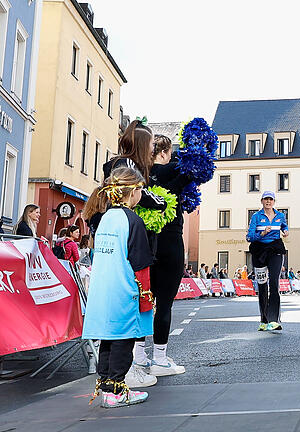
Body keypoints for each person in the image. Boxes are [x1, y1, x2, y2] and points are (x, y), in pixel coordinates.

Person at [81, 166, 153, 408]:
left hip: (103, 288)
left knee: (108, 338)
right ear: (132, 192)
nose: (141, 194)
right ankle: (117, 390)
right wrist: (146, 298)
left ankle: (107, 387)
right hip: (124, 289)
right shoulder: (133, 220)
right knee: (125, 338)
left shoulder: (104, 218)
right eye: (141, 190)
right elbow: (140, 264)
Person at [130, 135, 195, 381]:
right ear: (166, 153)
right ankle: (159, 358)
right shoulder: (173, 172)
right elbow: (194, 168)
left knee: (143, 301)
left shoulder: (141, 174)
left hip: (144, 243)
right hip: (169, 243)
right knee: (164, 304)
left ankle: (138, 357)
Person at [247, 191, 289, 332]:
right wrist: (262, 233)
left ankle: (274, 320)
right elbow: (250, 237)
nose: (268, 202)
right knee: (262, 285)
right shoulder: (256, 217)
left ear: (274, 202)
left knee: (274, 283)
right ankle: (264, 320)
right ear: (262, 201)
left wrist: (286, 230)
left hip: (275, 250)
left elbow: (283, 225)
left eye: (271, 199)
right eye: (266, 199)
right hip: (259, 251)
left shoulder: (280, 215)